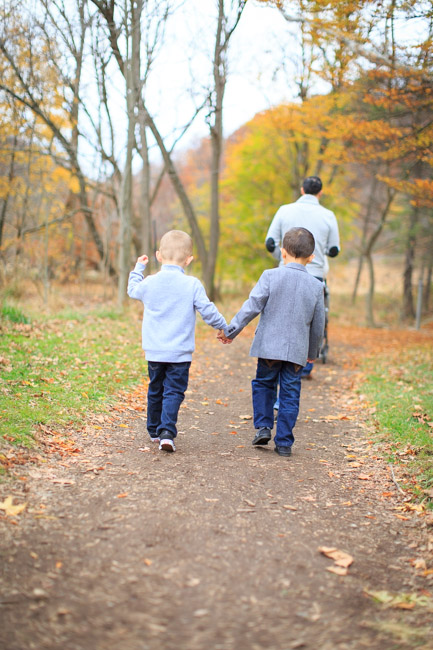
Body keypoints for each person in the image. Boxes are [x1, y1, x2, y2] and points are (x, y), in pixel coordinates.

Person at [218, 227, 325, 457]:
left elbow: (252, 306)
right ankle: (284, 442)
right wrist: (313, 352)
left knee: (264, 384)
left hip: (269, 347)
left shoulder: (270, 276)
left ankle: (264, 426)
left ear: (283, 253)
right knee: (290, 392)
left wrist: (230, 330)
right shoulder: (317, 286)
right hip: (297, 351)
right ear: (311, 258)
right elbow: (318, 325)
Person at [127, 230, 227, 453]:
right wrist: (222, 326)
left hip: (155, 351)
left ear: (158, 256)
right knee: (173, 391)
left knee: (155, 389)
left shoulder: (150, 282)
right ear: (189, 260)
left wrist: (138, 269)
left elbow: (132, 290)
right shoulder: (192, 284)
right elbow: (207, 310)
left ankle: (153, 429)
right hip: (180, 353)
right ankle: (166, 433)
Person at [265, 175, 340, 378]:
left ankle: (276, 359)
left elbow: (270, 242)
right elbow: (334, 249)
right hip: (314, 275)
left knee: (280, 315)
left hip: (285, 271)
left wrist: (282, 257)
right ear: (320, 193)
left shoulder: (284, 210)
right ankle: (304, 366)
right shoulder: (329, 215)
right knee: (312, 320)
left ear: (301, 190)